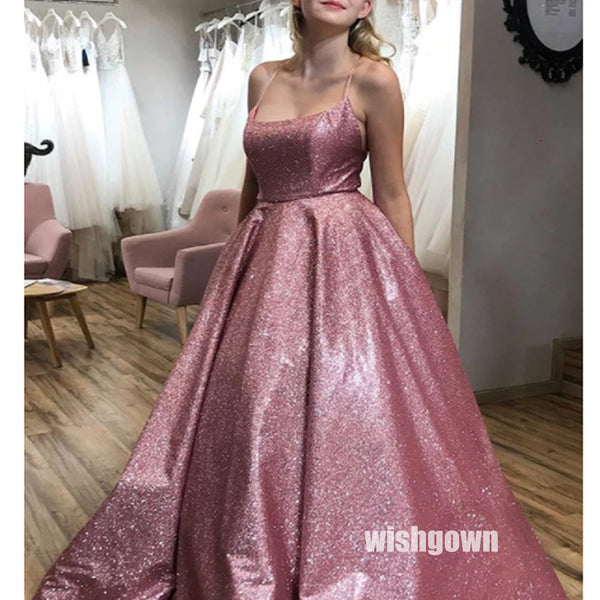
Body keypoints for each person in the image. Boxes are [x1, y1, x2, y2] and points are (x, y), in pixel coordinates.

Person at [32, 1, 569, 598]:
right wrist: (233, 262)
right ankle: (249, 544)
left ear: (366, 5)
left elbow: (392, 192)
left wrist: (406, 290)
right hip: (264, 257)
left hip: (345, 256)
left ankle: (351, 547)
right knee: (255, 401)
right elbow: (252, 184)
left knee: (351, 399)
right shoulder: (262, 77)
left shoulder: (373, 79)